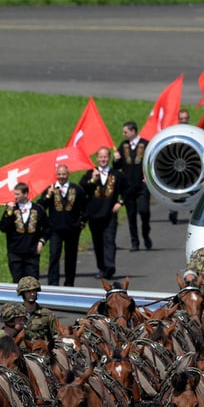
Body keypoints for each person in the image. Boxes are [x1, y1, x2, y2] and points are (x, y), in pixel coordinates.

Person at [81, 146, 127, 279]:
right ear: (97, 158)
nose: (103, 159)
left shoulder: (116, 174)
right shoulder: (90, 173)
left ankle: (110, 267)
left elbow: (128, 189)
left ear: (109, 158)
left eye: (105, 157)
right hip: (94, 214)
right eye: (100, 157)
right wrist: (92, 180)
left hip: (109, 214)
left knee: (109, 240)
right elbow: (81, 190)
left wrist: (121, 202)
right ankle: (102, 267)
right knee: (97, 242)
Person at [38, 164, 87, 287]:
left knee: (71, 257)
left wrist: (81, 223)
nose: (61, 177)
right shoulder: (50, 189)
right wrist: (48, 196)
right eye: (59, 174)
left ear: (68, 174)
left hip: (72, 230)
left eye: (64, 174)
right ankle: (53, 283)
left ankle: (69, 283)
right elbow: (40, 207)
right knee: (54, 255)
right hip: (55, 230)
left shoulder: (76, 189)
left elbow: (85, 207)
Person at [0, 181, 48, 283]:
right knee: (17, 282)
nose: (14, 197)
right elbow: (2, 227)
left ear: (25, 194)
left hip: (31, 252)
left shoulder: (38, 209)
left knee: (32, 283)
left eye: (17, 194)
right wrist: (9, 212)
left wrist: (41, 242)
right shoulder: (12, 209)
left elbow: (48, 227)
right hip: (15, 252)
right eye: (14, 194)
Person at [113, 121, 152, 252]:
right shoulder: (123, 146)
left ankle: (146, 234)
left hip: (142, 185)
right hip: (128, 186)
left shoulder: (145, 144)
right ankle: (134, 242)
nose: (124, 134)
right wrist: (116, 159)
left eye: (126, 132)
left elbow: (152, 161)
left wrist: (149, 176)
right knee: (131, 215)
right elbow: (117, 166)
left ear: (133, 131)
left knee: (144, 211)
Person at [16, 276, 60, 345]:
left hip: (42, 353)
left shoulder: (47, 314)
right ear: (22, 293)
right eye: (28, 291)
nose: (32, 294)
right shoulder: (16, 314)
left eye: (34, 291)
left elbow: (57, 336)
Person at [168, 109, 191, 225]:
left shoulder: (193, 132)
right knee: (176, 191)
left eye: (185, 119)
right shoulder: (174, 133)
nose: (183, 121)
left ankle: (193, 212)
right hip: (176, 166)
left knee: (192, 190)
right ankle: (173, 211)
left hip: (190, 166)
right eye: (181, 119)